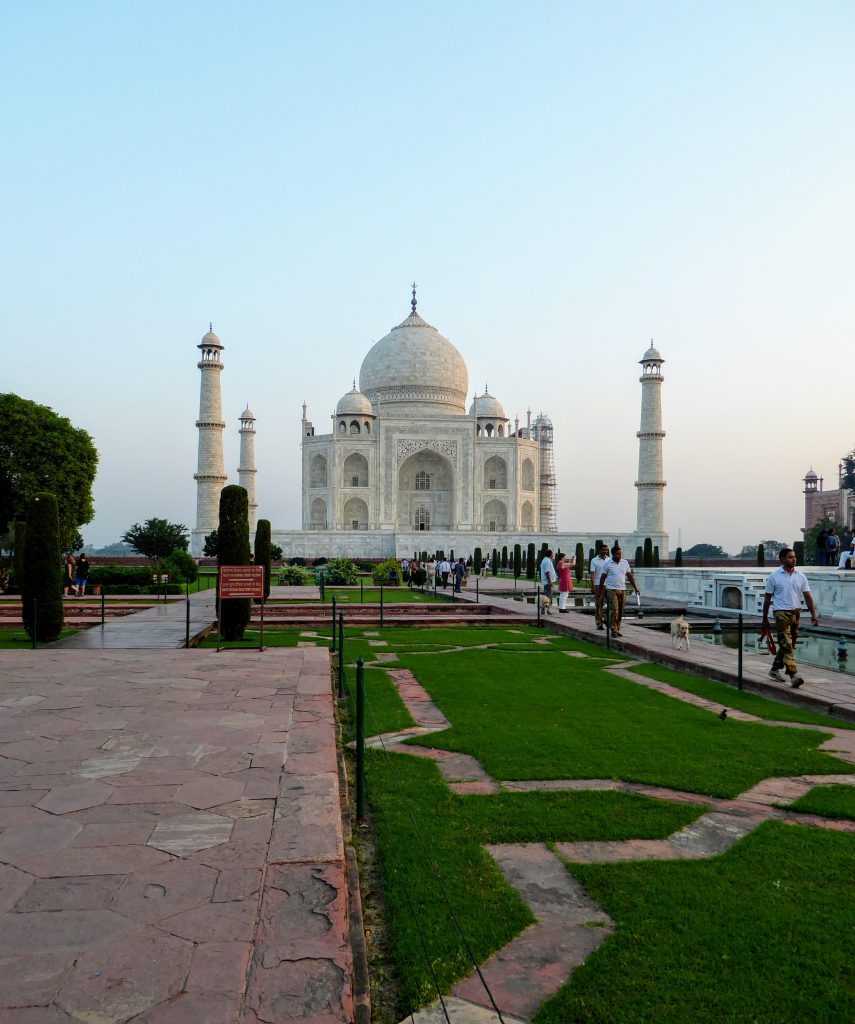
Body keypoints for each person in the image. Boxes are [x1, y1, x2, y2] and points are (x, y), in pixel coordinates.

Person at [762, 547, 819, 687]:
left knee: (789, 644)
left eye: (794, 557)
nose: (793, 559)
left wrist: (813, 614)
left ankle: (775, 669)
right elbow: (767, 598)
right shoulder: (774, 576)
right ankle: (793, 675)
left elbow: (807, 596)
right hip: (781, 613)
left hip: (795, 613)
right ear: (782, 559)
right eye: (790, 557)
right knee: (787, 645)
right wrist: (765, 618)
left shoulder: (800, 576)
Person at [596, 544, 639, 637]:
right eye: (616, 554)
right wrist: (599, 591)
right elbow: (603, 578)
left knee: (620, 611)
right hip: (611, 589)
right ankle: (613, 629)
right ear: (612, 554)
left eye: (620, 554)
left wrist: (635, 587)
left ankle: (616, 627)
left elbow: (629, 576)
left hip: (622, 590)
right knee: (615, 610)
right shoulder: (607, 564)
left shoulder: (625, 563)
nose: (618, 556)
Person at [589, 543, 610, 629]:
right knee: (599, 604)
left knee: (610, 603)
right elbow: (592, 574)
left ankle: (607, 619)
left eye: (606, 550)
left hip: (608, 584)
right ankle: (599, 623)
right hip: (598, 584)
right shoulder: (594, 560)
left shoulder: (609, 559)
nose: (605, 551)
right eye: (604, 550)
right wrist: (593, 586)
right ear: (600, 550)